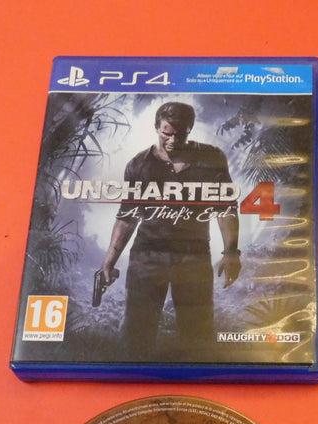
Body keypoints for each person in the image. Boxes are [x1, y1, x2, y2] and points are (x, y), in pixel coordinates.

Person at [99, 102, 241, 359]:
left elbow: (225, 209)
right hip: (147, 256)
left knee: (198, 335)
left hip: (194, 256)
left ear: (190, 129)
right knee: (137, 335)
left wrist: (232, 252)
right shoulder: (139, 165)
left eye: (181, 134)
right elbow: (127, 215)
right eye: (167, 133)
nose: (173, 140)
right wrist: (110, 260)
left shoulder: (211, 158)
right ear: (157, 128)